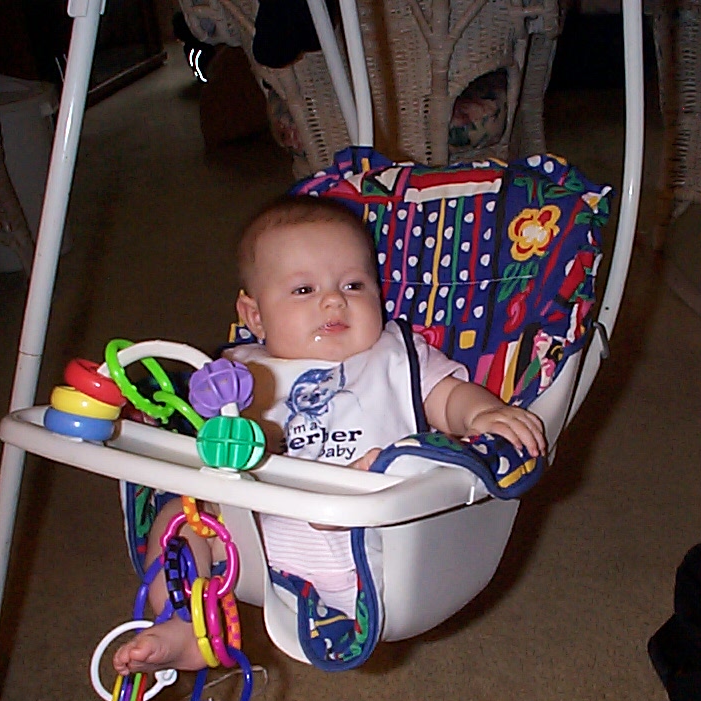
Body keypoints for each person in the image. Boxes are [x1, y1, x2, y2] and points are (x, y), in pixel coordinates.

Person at [114, 195, 546, 674]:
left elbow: (448, 398)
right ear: (255, 316)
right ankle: (182, 622)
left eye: (353, 285)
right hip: (258, 543)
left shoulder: (395, 355)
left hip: (378, 541)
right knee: (180, 516)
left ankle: (364, 486)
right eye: (304, 290)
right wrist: (174, 420)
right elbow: (198, 437)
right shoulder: (237, 374)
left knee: (413, 459)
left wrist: (483, 413)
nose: (334, 300)